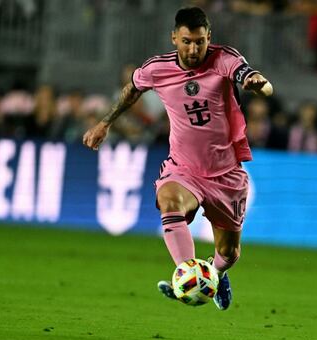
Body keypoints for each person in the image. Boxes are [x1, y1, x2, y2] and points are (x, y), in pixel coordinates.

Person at [83, 7, 273, 310]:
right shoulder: (157, 69)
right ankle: (189, 276)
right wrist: (105, 122)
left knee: (230, 252)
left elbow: (246, 72)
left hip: (226, 174)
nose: (194, 48)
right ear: (174, 38)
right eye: (187, 41)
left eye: (200, 41)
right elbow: (132, 90)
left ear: (209, 37)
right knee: (170, 200)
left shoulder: (223, 58)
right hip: (184, 169)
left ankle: (216, 274)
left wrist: (257, 82)